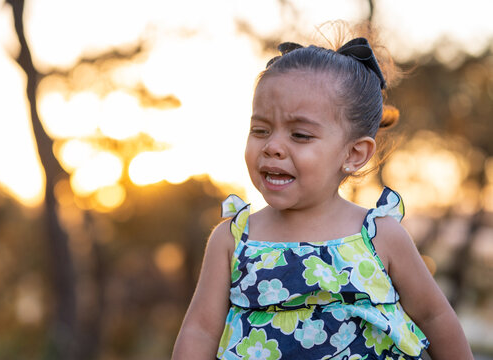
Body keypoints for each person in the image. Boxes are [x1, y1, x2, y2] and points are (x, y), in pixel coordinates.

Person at [172, 23, 473, 360]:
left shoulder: (379, 235)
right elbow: (199, 329)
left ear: (353, 154)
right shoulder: (234, 238)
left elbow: (435, 316)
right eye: (260, 129)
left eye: (300, 135)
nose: (273, 147)